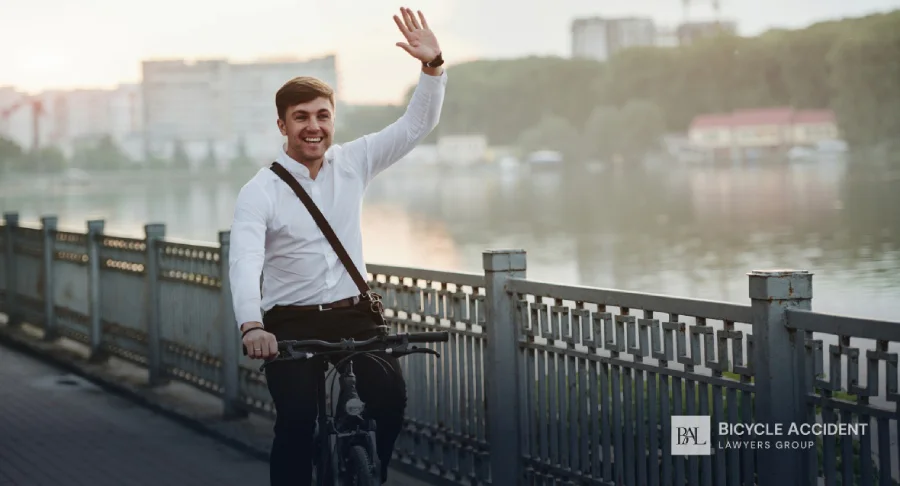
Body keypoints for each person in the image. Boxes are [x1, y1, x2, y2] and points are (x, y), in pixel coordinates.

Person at [228, 6, 446, 486]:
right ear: (282, 125)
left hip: (354, 312)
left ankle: (370, 473)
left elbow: (415, 126)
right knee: (298, 424)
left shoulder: (355, 162)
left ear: (333, 121)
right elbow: (245, 261)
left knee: (390, 401)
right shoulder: (260, 190)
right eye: (301, 117)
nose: (314, 126)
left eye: (323, 116)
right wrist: (252, 325)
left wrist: (432, 67)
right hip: (289, 319)